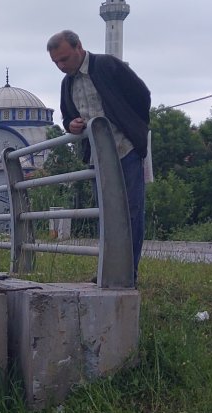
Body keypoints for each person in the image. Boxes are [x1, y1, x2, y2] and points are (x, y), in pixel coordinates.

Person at [47, 29, 151, 277]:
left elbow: (141, 95)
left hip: (124, 149)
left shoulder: (106, 65)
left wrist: (131, 126)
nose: (61, 66)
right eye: (56, 62)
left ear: (78, 47)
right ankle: (109, 270)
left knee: (131, 213)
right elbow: (67, 115)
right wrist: (71, 125)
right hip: (97, 156)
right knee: (107, 214)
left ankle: (128, 273)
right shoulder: (68, 82)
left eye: (64, 59)